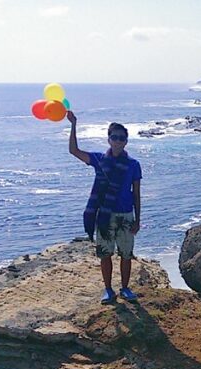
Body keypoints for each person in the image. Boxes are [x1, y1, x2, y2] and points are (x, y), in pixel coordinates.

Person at [67, 110, 142, 304]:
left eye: (121, 138)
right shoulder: (99, 160)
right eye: (114, 137)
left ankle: (125, 288)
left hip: (126, 215)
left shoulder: (133, 165)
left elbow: (136, 194)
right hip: (105, 216)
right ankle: (108, 290)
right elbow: (74, 151)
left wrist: (138, 220)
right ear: (109, 139)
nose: (117, 141)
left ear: (126, 141)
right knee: (105, 254)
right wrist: (73, 125)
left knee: (126, 255)